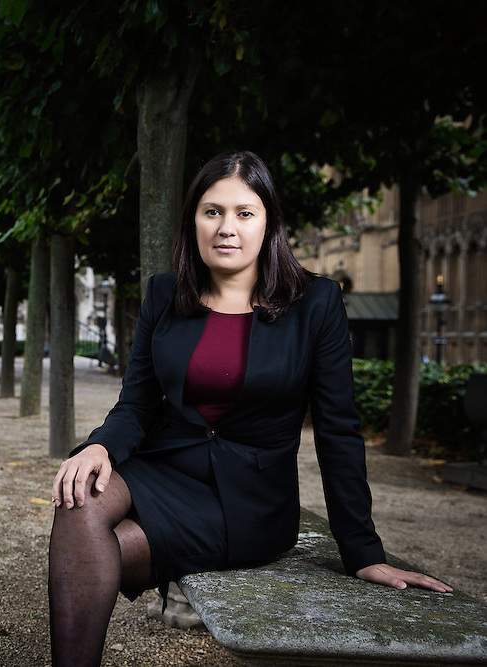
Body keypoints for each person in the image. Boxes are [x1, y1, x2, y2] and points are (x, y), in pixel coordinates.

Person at [49, 151, 452, 666]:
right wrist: (100, 445)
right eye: (212, 211)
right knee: (77, 498)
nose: (226, 227)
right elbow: (137, 403)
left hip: (248, 501)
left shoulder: (317, 304)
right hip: (164, 466)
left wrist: (363, 552)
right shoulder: (164, 293)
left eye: (245, 212)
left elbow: (339, 433)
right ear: (193, 220)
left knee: (95, 553)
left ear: (270, 223)